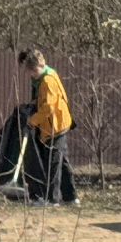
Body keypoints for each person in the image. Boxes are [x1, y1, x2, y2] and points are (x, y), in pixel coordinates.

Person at [18, 48, 77, 206]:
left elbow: (48, 107)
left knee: (53, 163)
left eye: (32, 71)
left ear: (37, 67)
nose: (31, 75)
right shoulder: (48, 75)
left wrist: (32, 121)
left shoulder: (47, 81)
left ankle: (52, 199)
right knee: (61, 161)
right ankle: (71, 197)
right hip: (57, 124)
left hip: (55, 126)